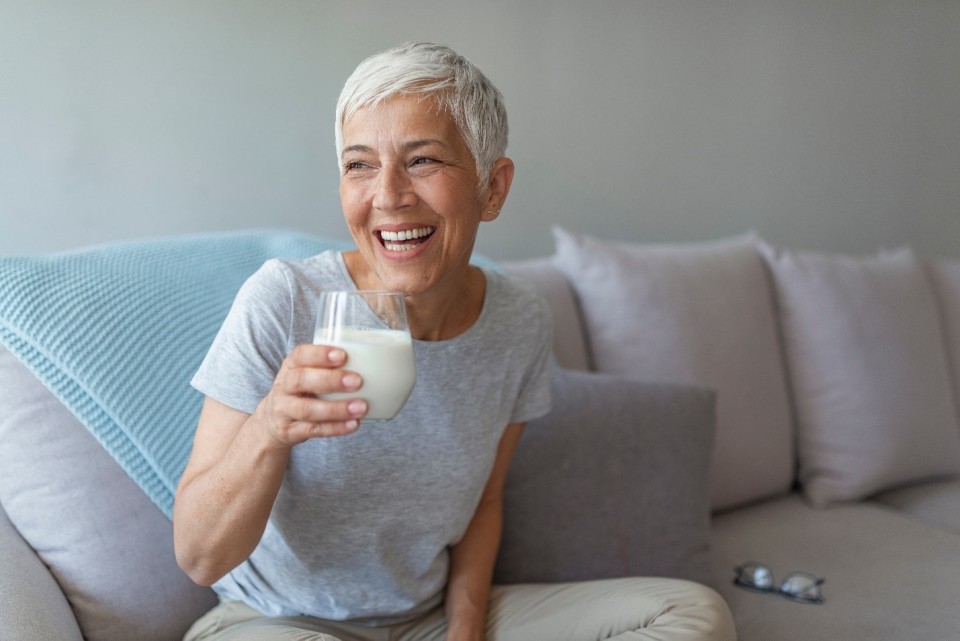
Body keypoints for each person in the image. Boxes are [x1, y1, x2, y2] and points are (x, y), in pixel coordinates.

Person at [174, 42, 736, 641]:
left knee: (692, 615)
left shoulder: (519, 320)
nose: (388, 195)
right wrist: (270, 428)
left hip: (425, 621)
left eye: (423, 160)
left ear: (492, 188)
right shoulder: (286, 300)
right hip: (278, 621)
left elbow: (484, 504)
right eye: (360, 164)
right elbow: (200, 557)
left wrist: (464, 632)